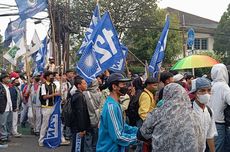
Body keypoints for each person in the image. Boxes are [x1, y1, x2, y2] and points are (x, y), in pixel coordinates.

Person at [137, 83, 205, 152]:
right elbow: (201, 141)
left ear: (166, 95)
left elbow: (142, 134)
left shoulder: (158, 113)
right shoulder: (194, 115)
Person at [96, 73, 138, 152]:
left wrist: (138, 131)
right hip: (109, 149)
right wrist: (138, 137)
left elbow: (122, 126)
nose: (126, 87)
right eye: (123, 84)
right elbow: (118, 136)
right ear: (114, 86)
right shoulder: (111, 107)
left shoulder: (116, 104)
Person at [191, 78, 217, 152]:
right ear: (195, 93)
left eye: (209, 90)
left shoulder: (209, 111)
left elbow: (210, 136)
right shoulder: (189, 110)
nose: (206, 94)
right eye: (202, 91)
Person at [208, 63, 230, 152]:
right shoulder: (224, 87)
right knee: (217, 148)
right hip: (218, 123)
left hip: (207, 120)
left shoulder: (210, 84)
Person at [136, 77, 158, 152]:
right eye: (154, 85)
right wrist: (148, 123)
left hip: (146, 121)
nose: (156, 87)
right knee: (141, 145)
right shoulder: (145, 95)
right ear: (148, 85)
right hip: (143, 122)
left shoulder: (150, 94)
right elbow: (143, 112)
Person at [38, 71, 60, 146]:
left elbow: (56, 94)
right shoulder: (43, 85)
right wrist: (54, 94)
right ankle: (41, 140)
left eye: (53, 76)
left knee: (53, 124)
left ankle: (50, 139)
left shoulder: (53, 85)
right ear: (47, 77)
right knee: (45, 125)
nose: (52, 77)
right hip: (46, 107)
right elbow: (44, 97)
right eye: (51, 76)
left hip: (53, 107)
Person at [70, 76, 90, 152]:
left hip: (76, 126)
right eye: (84, 84)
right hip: (78, 128)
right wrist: (82, 129)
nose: (86, 85)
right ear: (78, 85)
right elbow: (80, 113)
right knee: (77, 147)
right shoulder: (79, 96)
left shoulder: (77, 95)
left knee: (77, 146)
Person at [83, 80, 101, 152]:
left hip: (87, 119)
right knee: (96, 139)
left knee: (87, 139)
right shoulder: (100, 94)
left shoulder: (84, 94)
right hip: (97, 119)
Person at [0, 73, 12, 147]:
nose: (9, 79)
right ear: (3, 79)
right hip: (3, 108)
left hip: (9, 108)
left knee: (8, 123)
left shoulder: (7, 87)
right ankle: (3, 138)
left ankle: (6, 136)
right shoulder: (1, 87)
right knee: (2, 124)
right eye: (7, 78)